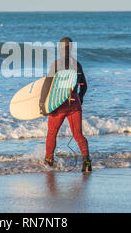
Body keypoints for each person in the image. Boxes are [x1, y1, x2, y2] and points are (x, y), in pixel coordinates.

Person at [39, 37, 92, 173]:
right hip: (74, 102)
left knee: (52, 133)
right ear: (72, 48)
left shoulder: (56, 64)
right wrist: (79, 98)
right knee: (78, 135)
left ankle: (49, 161)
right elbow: (84, 86)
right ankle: (86, 161)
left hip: (59, 103)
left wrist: (42, 103)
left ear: (60, 49)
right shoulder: (77, 65)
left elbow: (47, 85)